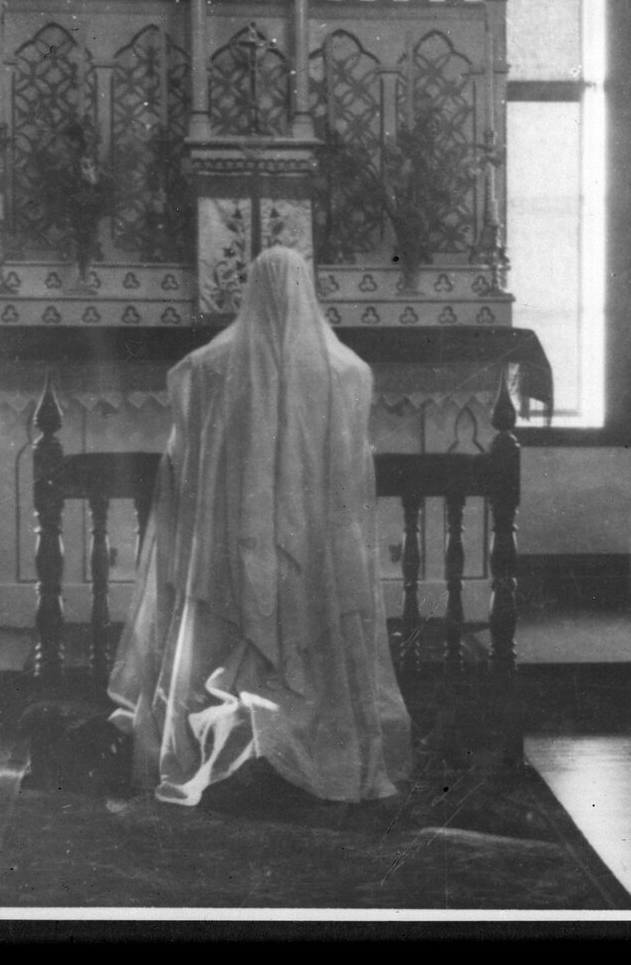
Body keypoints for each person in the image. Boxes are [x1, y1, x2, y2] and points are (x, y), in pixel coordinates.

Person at [109, 245, 412, 806]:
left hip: (228, 541)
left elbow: (182, 462)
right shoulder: (345, 372)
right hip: (312, 545)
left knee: (223, 616)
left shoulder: (206, 369)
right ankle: (305, 730)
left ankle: (227, 729)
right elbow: (351, 476)